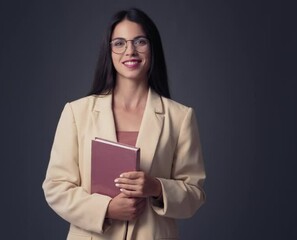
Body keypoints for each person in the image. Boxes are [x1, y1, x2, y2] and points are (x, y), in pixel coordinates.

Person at [42, 8, 206, 240]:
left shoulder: (179, 117)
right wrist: (106, 210)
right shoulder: (77, 112)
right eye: (119, 43)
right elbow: (56, 187)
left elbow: (195, 194)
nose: (130, 51)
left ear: (152, 48)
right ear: (108, 51)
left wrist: (157, 187)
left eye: (140, 41)